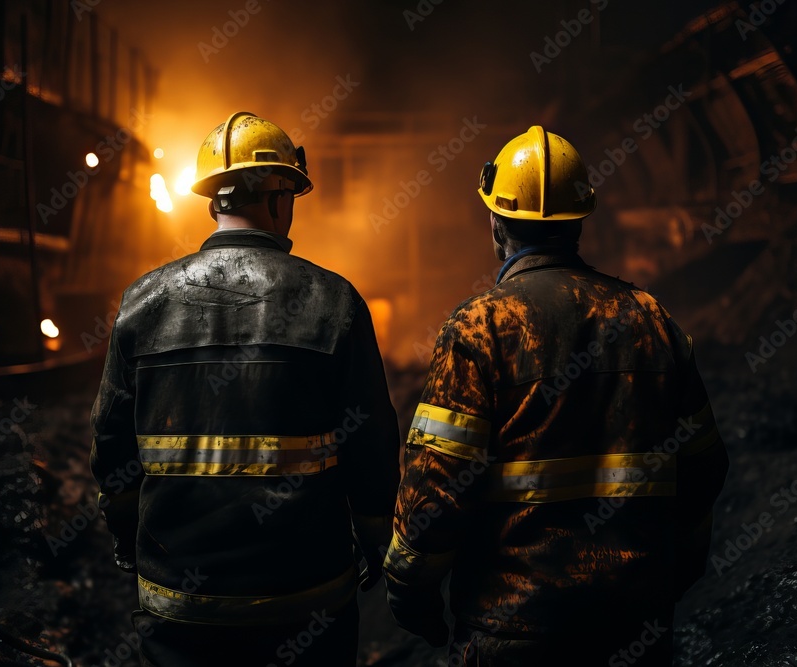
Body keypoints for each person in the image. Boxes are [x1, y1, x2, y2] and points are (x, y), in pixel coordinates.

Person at [383, 125, 730, 666]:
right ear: (580, 218)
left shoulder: (480, 328)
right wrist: (669, 578)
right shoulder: (649, 319)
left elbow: (435, 495)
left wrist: (410, 592)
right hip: (633, 630)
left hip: (513, 633)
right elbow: (704, 468)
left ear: (495, 221)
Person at [90, 112, 400, 667]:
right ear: (281, 198)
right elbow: (371, 444)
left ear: (212, 200)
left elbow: (111, 444)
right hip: (306, 599)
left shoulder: (143, 301)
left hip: (181, 606)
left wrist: (125, 536)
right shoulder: (334, 302)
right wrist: (376, 535)